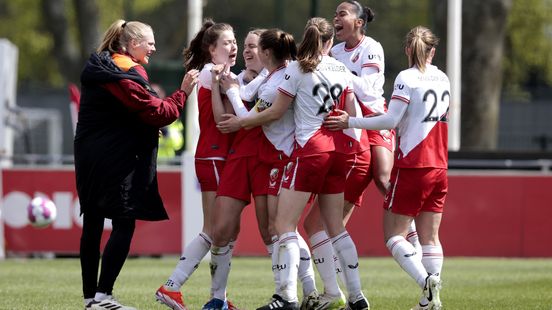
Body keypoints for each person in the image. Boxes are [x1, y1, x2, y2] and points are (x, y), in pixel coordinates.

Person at [231, 17, 369, 310]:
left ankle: (287, 296)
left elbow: (275, 112)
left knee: (283, 225)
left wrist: (243, 122)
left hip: (311, 150)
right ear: (330, 42)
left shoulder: (296, 69)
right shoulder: (341, 68)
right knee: (335, 226)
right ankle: (356, 296)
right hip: (340, 150)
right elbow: (350, 112)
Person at [75, 19, 199, 310]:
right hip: (112, 159)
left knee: (92, 223)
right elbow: (158, 112)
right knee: (124, 222)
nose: (154, 48)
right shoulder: (126, 70)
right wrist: (183, 92)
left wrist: (137, 127)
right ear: (133, 45)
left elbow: (119, 112)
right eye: (150, 42)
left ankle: (90, 299)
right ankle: (103, 296)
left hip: (89, 155)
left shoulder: (102, 65)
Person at [324, 25, 449, 310]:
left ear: (407, 49)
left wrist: (350, 122)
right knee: (430, 237)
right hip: (440, 166)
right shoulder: (443, 77)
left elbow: (390, 120)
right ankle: (430, 300)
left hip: (414, 164)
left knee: (394, 236)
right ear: (433, 51)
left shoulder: (406, 78)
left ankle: (425, 283)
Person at [217, 28, 318, 309]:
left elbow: (249, 116)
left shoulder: (279, 81)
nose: (250, 52)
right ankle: (297, 293)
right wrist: (234, 87)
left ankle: (294, 294)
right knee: (275, 229)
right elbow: (247, 93)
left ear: (266, 53)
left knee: (283, 228)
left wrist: (233, 95)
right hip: (274, 157)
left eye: (255, 47)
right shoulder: (275, 75)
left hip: (283, 157)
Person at [155, 19, 239, 310]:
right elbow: (226, 119)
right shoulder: (208, 73)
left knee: (226, 232)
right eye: (227, 42)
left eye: (235, 41)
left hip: (222, 158)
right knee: (216, 230)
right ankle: (172, 286)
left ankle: (219, 299)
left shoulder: (224, 74)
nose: (234, 46)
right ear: (212, 49)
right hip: (214, 155)